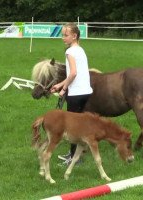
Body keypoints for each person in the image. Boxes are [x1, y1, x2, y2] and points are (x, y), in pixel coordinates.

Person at [50, 22, 93, 165]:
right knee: (79, 126)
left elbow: (73, 73)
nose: (63, 38)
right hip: (86, 92)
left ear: (74, 36)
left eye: (65, 35)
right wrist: (60, 85)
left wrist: (63, 89)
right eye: (63, 35)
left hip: (76, 94)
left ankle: (75, 158)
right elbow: (76, 74)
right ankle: (74, 154)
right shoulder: (80, 50)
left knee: (72, 128)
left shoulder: (69, 52)